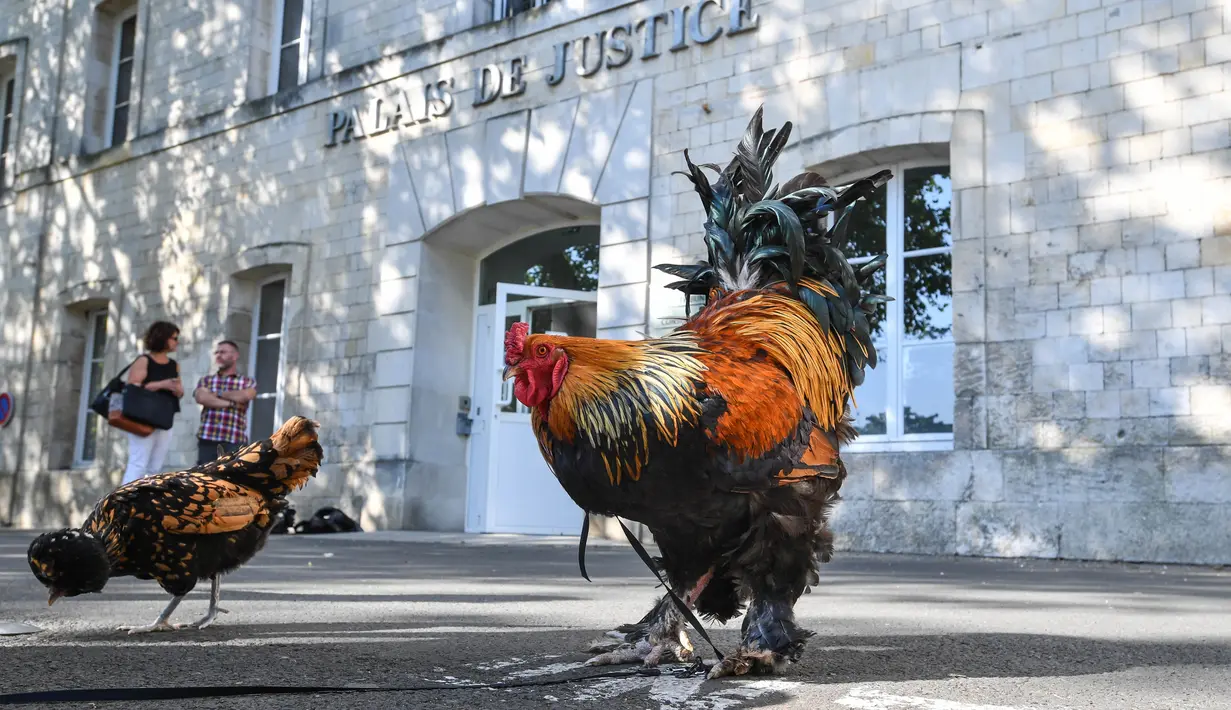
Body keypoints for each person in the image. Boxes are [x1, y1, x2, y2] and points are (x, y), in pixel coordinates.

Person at [121, 321, 184, 485]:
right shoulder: (144, 360)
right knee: (138, 463)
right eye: (174, 338)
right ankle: (123, 505)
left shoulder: (174, 365)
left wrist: (177, 389)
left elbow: (180, 391)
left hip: (164, 418)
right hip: (143, 417)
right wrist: (161, 385)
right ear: (163, 338)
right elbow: (133, 386)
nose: (177, 342)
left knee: (155, 467)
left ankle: (144, 503)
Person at [192, 340, 257, 465]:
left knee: (233, 480)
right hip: (207, 438)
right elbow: (201, 398)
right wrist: (232, 403)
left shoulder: (247, 381)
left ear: (234, 356)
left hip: (234, 439)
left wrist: (217, 394)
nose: (218, 355)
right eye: (216, 352)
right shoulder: (206, 380)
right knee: (204, 479)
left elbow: (245, 395)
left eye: (223, 352)